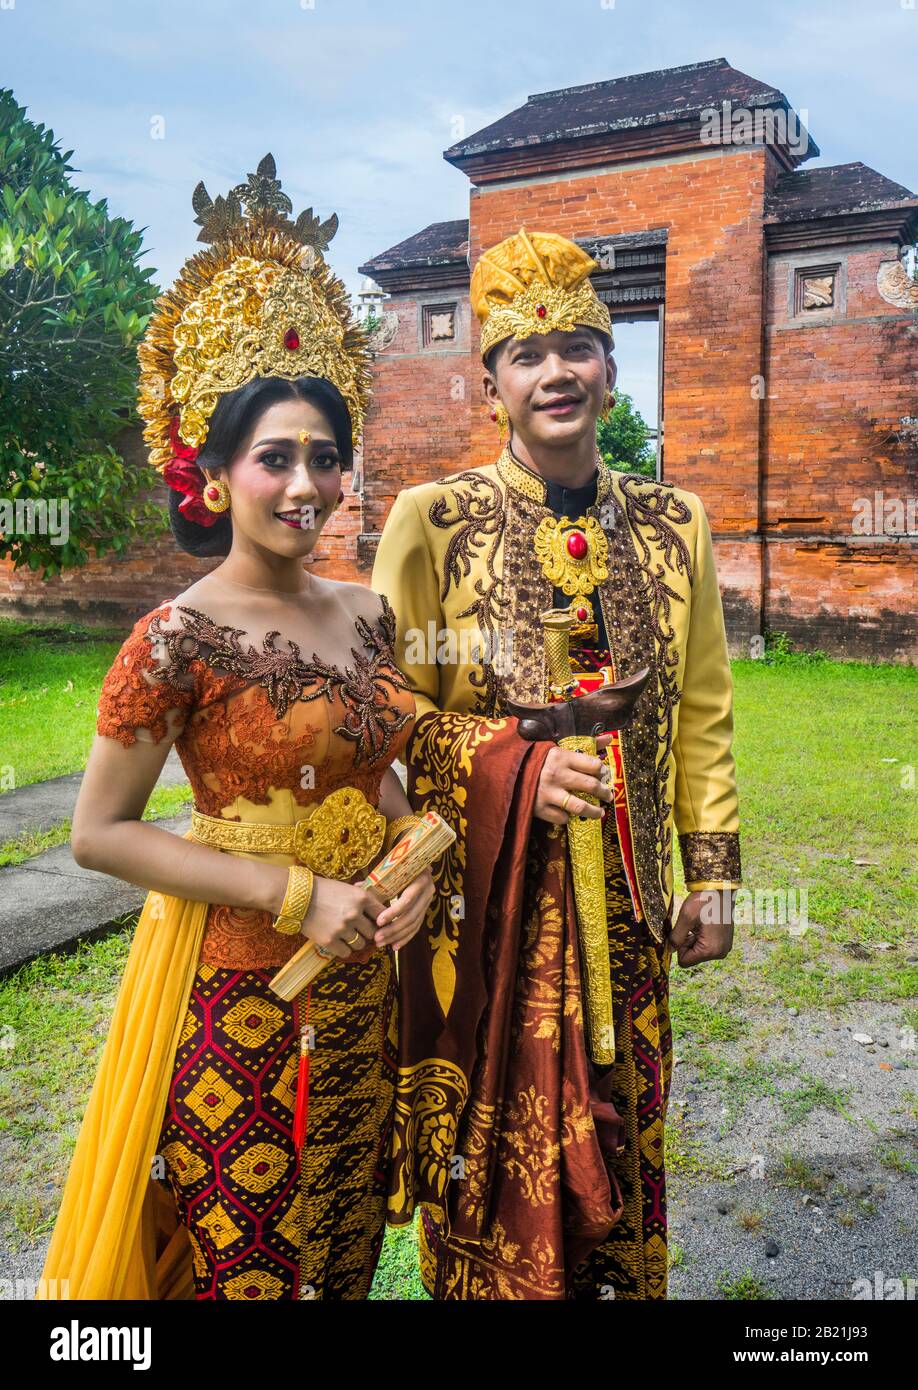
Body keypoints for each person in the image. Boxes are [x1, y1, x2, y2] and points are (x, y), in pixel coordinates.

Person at [37, 155, 433, 1301]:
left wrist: (407, 870)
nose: (305, 484)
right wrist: (289, 891)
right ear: (214, 473)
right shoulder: (175, 639)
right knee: (249, 1271)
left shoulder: (367, 612)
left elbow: (384, 775)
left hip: (365, 988)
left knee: (348, 1254)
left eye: (324, 456)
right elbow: (100, 834)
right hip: (238, 1002)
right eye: (275, 458)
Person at [372, 228, 742, 1300]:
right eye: (528, 355)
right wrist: (512, 768)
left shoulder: (677, 523)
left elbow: (707, 709)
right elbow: (384, 713)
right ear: (490, 380)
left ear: (613, 371)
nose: (557, 372)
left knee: (622, 1135)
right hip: (486, 910)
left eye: (579, 346)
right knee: (491, 1168)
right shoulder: (432, 521)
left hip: (627, 909)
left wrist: (711, 870)